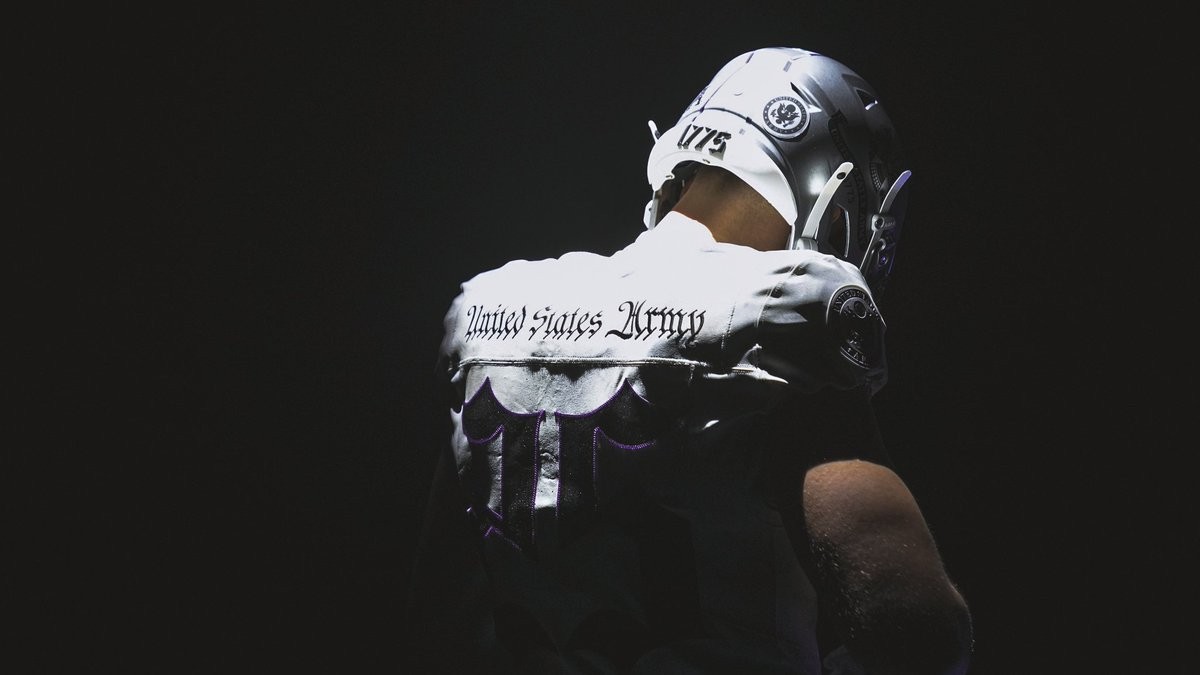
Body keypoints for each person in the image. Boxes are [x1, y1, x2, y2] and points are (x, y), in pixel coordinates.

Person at [410, 46, 973, 675]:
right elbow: (916, 627)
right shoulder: (785, 308)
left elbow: (439, 612)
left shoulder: (484, 307)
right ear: (838, 207)